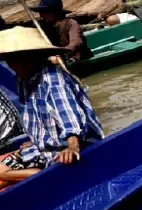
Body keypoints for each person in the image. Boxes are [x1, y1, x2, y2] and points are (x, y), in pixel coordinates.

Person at [0, 27, 104, 189]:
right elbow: (38, 118)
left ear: (28, 59)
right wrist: (35, 140)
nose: (11, 66)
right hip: (48, 147)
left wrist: (72, 146)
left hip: (70, 149)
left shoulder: (53, 79)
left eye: (12, 61)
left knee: (1, 173)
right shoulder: (24, 81)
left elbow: (70, 117)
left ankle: (38, 176)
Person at [30, 0, 89, 65]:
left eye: (46, 12)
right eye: (41, 12)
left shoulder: (70, 23)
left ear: (55, 12)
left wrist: (62, 52)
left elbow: (76, 42)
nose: (42, 15)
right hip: (53, 59)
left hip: (74, 59)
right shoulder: (41, 26)